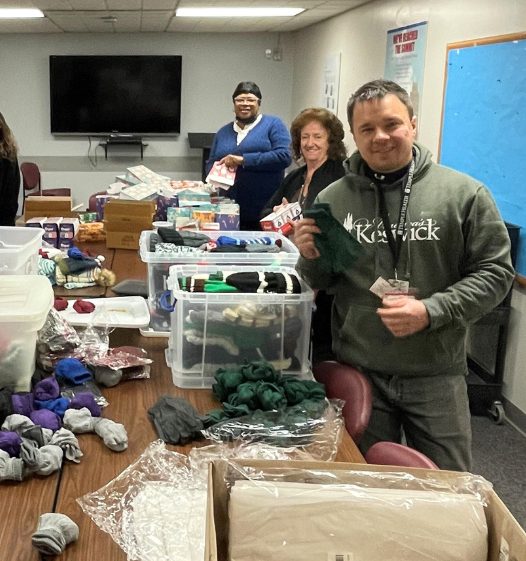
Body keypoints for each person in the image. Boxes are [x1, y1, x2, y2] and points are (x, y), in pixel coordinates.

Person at [292, 79, 514, 471]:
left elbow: (496, 273)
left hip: (435, 373)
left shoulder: (463, 194)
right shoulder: (333, 199)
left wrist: (432, 310)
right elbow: (321, 279)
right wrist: (308, 255)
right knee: (365, 487)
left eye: (391, 124)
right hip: (360, 374)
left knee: (450, 489)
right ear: (355, 136)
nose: (380, 137)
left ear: (412, 124)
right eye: (367, 129)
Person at [262, 107, 348, 362]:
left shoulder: (340, 177)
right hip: (291, 265)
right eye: (305, 137)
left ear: (331, 141)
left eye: (317, 137)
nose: (310, 143)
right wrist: (278, 211)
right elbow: (266, 210)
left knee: (318, 342)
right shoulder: (295, 176)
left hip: (325, 273)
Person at [206, 81, 292, 229]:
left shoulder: (273, 124)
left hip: (265, 209)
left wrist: (244, 160)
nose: (245, 104)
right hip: (227, 211)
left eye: (251, 100)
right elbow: (211, 163)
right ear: (234, 103)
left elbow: (285, 156)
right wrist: (216, 176)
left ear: (259, 103)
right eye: (240, 100)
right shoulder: (223, 132)